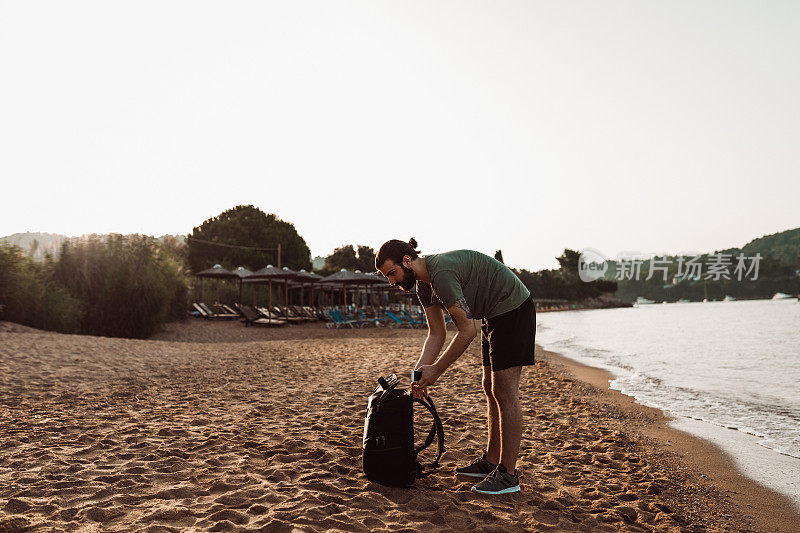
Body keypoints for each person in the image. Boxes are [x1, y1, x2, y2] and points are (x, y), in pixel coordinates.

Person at [375, 238, 536, 495]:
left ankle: (508, 474)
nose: (391, 281)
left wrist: (436, 370)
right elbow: (436, 333)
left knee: (504, 391)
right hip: (493, 315)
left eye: (392, 273)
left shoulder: (441, 274)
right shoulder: (423, 287)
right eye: (387, 277)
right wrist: (419, 375)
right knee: (489, 388)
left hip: (513, 308)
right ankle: (491, 461)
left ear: (407, 261)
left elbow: (467, 330)